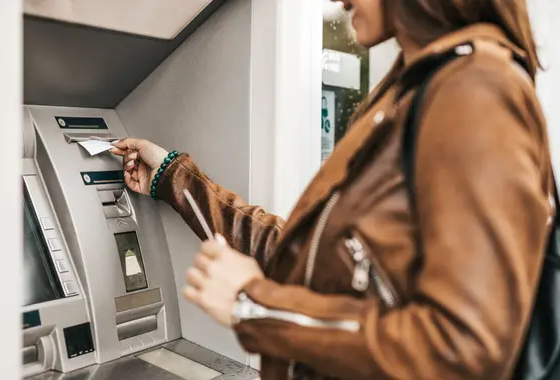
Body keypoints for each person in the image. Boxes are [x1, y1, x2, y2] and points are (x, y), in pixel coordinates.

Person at [111, 0, 552, 378]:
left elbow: (464, 349)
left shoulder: (474, 91)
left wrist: (256, 308)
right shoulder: (411, 91)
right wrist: (174, 178)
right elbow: (309, 261)